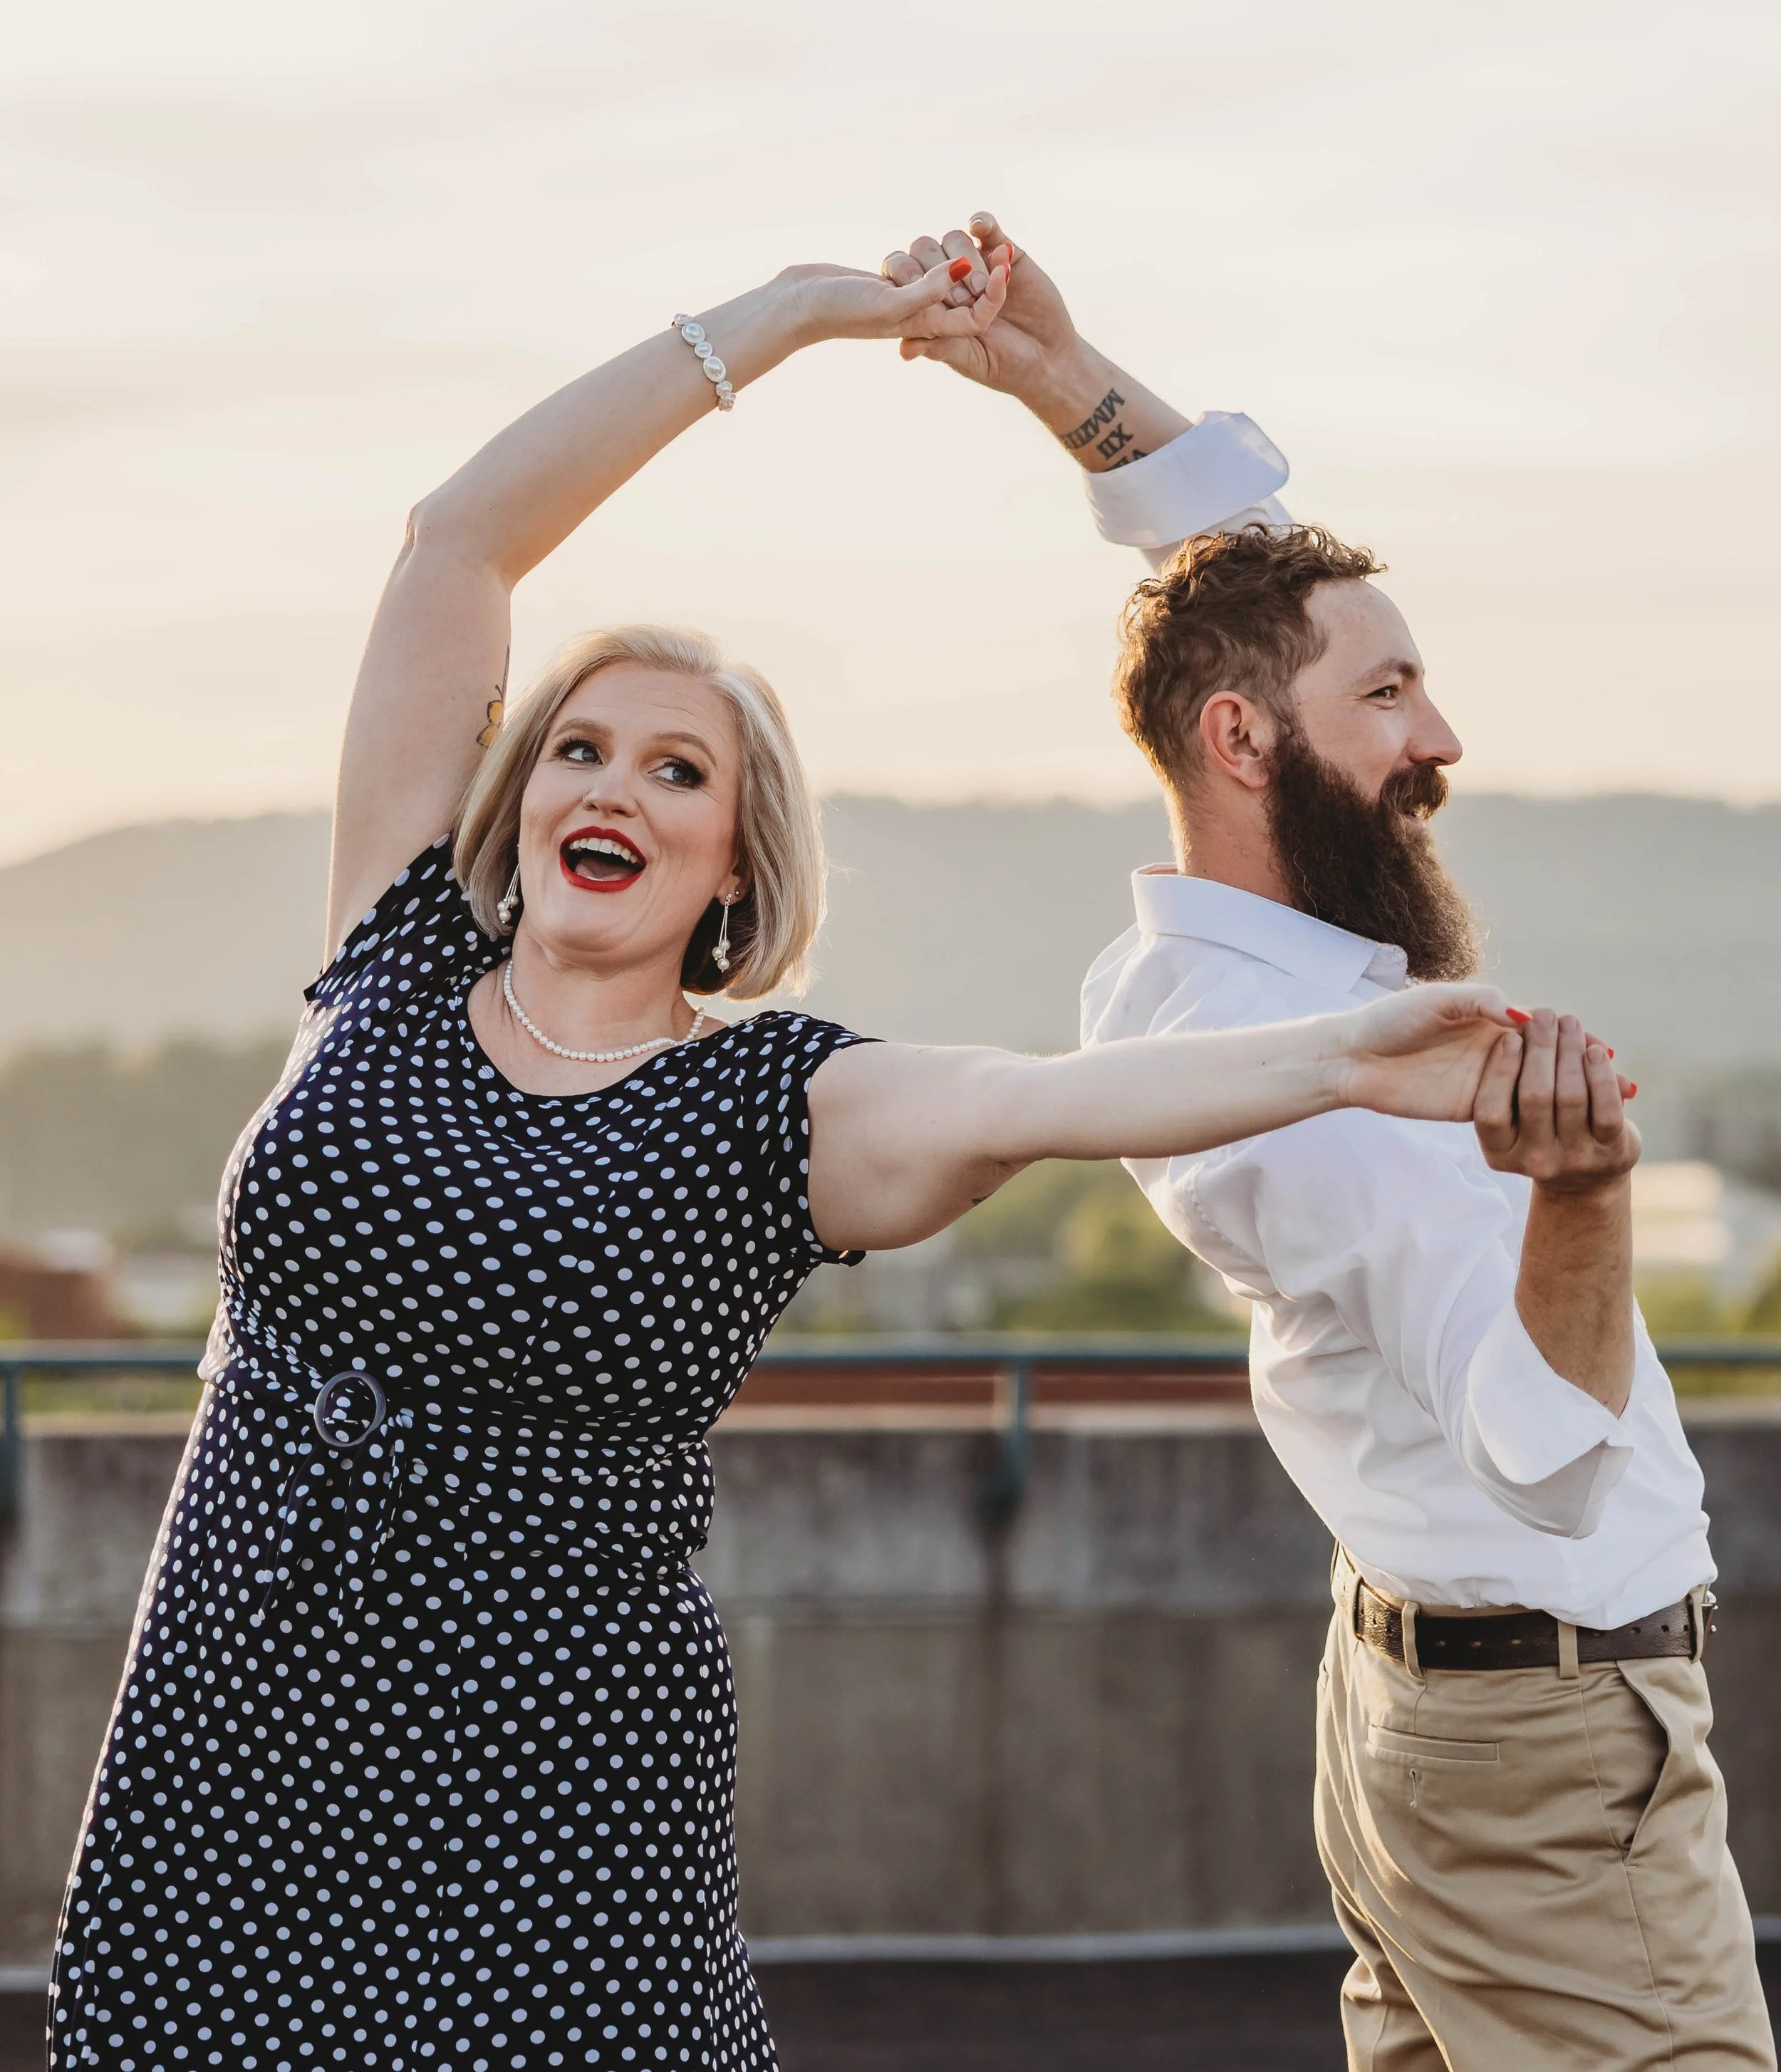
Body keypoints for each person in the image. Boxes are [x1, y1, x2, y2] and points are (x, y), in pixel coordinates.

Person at [48, 250, 1572, 2072]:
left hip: (544, 1815)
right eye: (580, 748)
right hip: (228, 1746)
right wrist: (776, 320)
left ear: (733, 870)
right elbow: (457, 542)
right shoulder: (389, 958)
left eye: (676, 772)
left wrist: (1352, 1046)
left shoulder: (766, 1103)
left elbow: (1036, 1101)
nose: (609, 786)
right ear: (518, 794)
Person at [882, 212, 1774, 2069]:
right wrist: (1587, 1194)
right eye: (1384, 694)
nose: (1435, 731)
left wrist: (1058, 378)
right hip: (1537, 1753)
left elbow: (1236, 576)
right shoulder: (1344, 1097)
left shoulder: (1181, 990)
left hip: (1416, 1717)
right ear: (1240, 740)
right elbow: (1536, 1454)